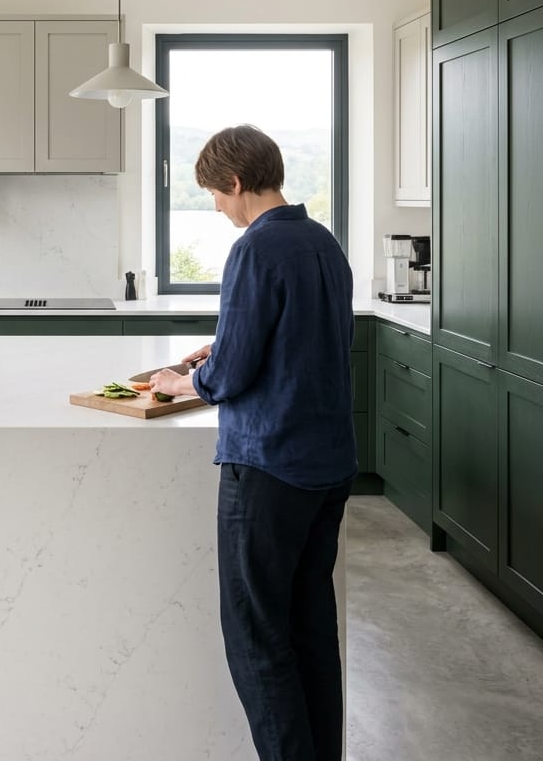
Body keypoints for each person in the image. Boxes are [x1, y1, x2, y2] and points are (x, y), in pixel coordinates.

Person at [150, 124, 356, 761]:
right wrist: (225, 352)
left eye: (214, 193)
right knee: (309, 630)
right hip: (328, 465)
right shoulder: (322, 241)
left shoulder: (255, 249)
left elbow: (233, 374)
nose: (214, 206)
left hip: (268, 466)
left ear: (235, 182)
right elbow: (304, 345)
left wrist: (183, 380)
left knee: (256, 638)